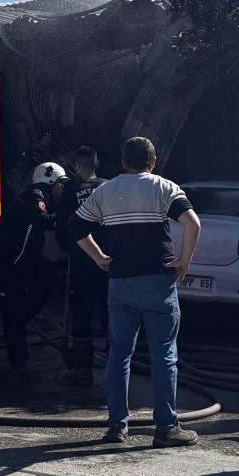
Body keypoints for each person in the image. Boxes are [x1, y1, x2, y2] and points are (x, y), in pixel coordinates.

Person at [72, 137, 202, 448]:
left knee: (119, 354)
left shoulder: (106, 190)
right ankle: (166, 427)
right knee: (164, 355)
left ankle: (117, 426)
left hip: (120, 282)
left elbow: (74, 228)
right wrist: (184, 260)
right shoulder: (164, 187)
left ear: (124, 162)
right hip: (158, 281)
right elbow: (192, 223)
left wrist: (100, 258)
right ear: (153, 162)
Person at [0, 161, 67, 374]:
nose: (62, 189)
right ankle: (17, 358)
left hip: (23, 260)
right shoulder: (34, 196)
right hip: (9, 262)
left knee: (49, 278)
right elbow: (41, 220)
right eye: (60, 184)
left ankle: (22, 319)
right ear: (49, 181)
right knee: (13, 308)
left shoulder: (38, 197)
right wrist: (66, 217)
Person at [56, 146, 108, 386]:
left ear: (77, 166)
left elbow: (64, 230)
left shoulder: (70, 192)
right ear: (96, 164)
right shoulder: (109, 188)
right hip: (109, 263)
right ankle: (117, 369)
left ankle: (82, 370)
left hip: (81, 262)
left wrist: (68, 249)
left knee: (82, 316)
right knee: (112, 315)